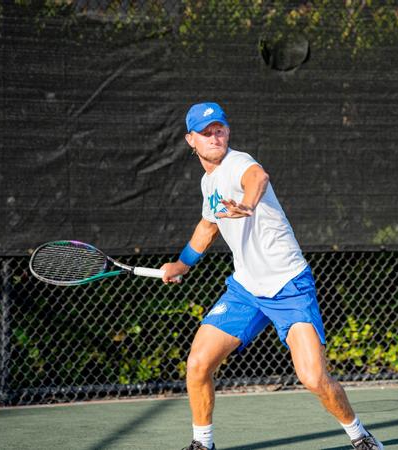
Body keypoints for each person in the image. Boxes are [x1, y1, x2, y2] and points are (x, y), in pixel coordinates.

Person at [160, 102, 384, 450]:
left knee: (313, 377)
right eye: (206, 132)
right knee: (198, 363)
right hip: (246, 290)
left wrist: (248, 203)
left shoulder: (238, 162)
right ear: (191, 140)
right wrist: (183, 264)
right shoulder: (209, 183)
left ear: (228, 132)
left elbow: (257, 178)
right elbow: (208, 226)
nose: (214, 136)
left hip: (289, 286)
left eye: (219, 129)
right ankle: (202, 443)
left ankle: (359, 436)